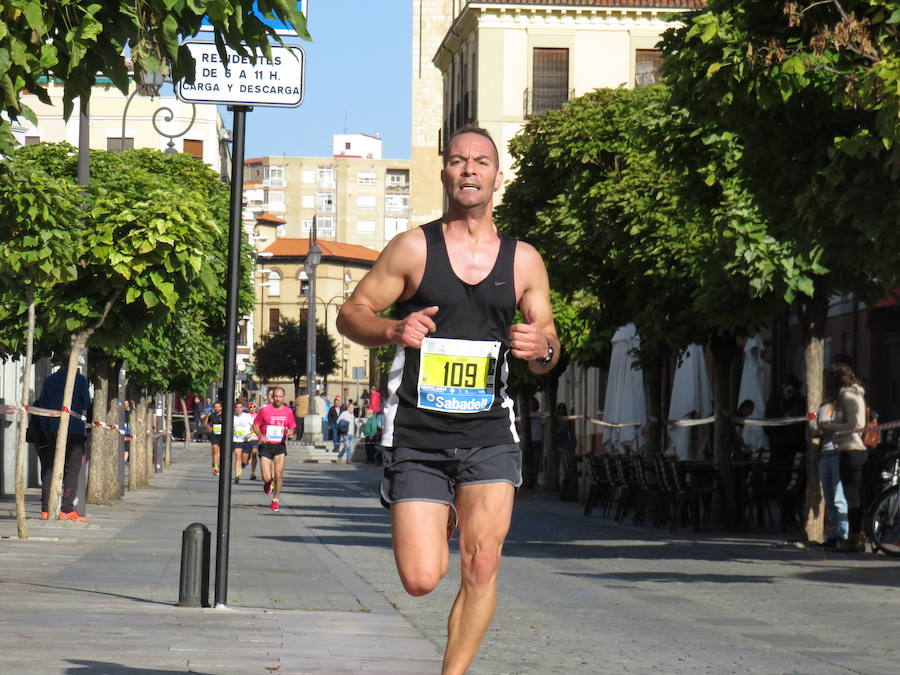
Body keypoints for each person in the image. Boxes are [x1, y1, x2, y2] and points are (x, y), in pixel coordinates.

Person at [336, 126, 559, 675]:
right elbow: (351, 312)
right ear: (445, 174)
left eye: (480, 161)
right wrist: (392, 330)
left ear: (496, 177)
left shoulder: (523, 259)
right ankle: (446, 515)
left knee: (483, 565)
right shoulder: (415, 247)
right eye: (458, 161)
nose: (469, 170)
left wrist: (542, 349)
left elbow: (549, 343)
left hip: (488, 432)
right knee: (420, 579)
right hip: (418, 433)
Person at [35, 353, 93, 521]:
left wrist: (47, 429)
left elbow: (43, 406)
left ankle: (45, 510)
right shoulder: (80, 380)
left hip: (53, 429)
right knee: (72, 469)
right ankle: (66, 509)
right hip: (74, 429)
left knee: (51, 468)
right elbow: (86, 404)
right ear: (74, 363)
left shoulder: (49, 380)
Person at [820, 362, 868, 553]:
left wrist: (830, 427)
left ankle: (854, 538)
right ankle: (856, 536)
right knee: (852, 496)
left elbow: (856, 424)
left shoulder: (849, 396)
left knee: (852, 497)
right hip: (848, 449)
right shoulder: (849, 395)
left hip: (851, 450)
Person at [812, 387, 849, 548]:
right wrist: (820, 430)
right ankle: (834, 534)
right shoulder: (822, 407)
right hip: (825, 453)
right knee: (828, 495)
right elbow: (816, 430)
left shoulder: (840, 406)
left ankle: (843, 534)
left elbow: (833, 429)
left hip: (837, 452)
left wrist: (824, 429)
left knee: (838, 496)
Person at [251, 387, 297, 512]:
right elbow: (255, 424)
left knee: (278, 474)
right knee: (267, 477)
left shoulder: (288, 411)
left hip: (279, 446)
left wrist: (291, 432)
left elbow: (292, 426)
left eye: (280, 396)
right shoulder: (265, 410)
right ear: (272, 397)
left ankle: (275, 500)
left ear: (284, 397)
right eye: (276, 396)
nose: (278, 399)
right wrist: (260, 436)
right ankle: (267, 484)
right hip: (266, 445)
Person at [231, 400, 256, 485]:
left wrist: (250, 433)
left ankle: (243, 464)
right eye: (237, 407)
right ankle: (237, 476)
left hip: (246, 440)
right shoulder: (232, 417)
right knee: (237, 456)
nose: (238, 409)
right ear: (234, 408)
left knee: (244, 460)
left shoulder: (247, 416)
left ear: (242, 408)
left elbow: (254, 426)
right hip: (236, 439)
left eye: (240, 407)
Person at [528, 397, 544, 488]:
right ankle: (530, 479)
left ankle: (535, 480)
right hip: (528, 441)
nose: (531, 405)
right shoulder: (526, 415)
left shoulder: (540, 415)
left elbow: (543, 427)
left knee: (537, 461)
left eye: (533, 403)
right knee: (529, 461)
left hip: (537, 439)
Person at [204, 401, 223, 475]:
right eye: (215, 407)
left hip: (221, 435)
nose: (217, 408)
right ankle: (215, 468)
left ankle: (216, 463)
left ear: (221, 407)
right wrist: (210, 428)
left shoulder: (224, 415)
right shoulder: (211, 416)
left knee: (219, 452)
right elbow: (207, 424)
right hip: (214, 435)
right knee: (215, 450)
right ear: (213, 408)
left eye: (218, 407)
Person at [245, 400, 261, 480]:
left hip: (255, 437)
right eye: (250, 407)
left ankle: (253, 472)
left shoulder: (258, 416)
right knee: (245, 458)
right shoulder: (246, 416)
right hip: (246, 438)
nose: (252, 408)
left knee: (254, 453)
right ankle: (246, 461)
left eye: (254, 407)